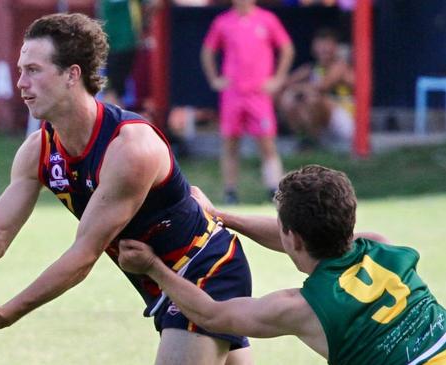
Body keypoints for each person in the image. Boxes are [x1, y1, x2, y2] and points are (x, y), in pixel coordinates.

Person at [0, 13, 254, 365]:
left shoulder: (129, 148)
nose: (21, 83)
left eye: (33, 70)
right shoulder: (38, 151)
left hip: (207, 268)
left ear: (72, 74)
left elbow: (83, 257)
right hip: (161, 283)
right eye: (20, 70)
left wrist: (10, 312)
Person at [118, 165, 446, 364]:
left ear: (295, 239)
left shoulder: (301, 308)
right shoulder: (380, 245)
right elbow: (303, 237)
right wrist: (220, 218)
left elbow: (210, 315)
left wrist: (152, 267)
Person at [201, 0, 294, 204]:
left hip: (258, 93)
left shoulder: (267, 19)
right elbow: (207, 51)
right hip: (233, 93)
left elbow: (287, 48)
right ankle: (230, 191)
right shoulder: (223, 22)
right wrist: (215, 79)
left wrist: (277, 80)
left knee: (267, 142)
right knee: (230, 142)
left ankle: (274, 189)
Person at [278, 28, 354, 150]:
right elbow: (283, 83)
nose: (323, 49)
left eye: (327, 45)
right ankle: (305, 139)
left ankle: (313, 140)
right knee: (288, 98)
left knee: (314, 98)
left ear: (335, 47)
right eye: (320, 45)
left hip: (346, 122)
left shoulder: (340, 66)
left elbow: (321, 86)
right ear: (314, 47)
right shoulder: (311, 68)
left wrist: (297, 89)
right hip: (325, 125)